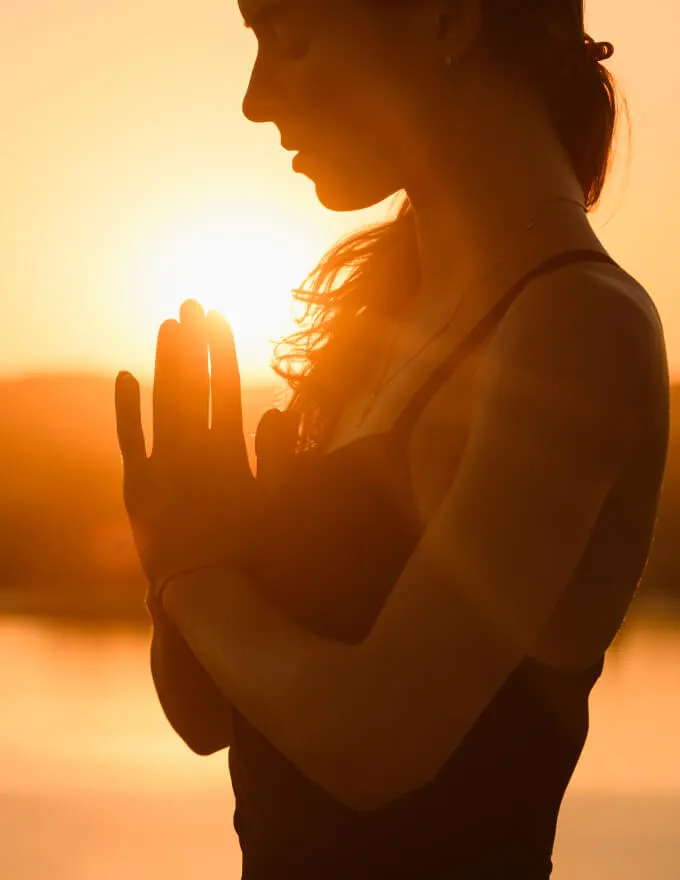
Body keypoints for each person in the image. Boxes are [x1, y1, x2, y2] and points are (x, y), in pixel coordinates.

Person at [114, 1, 670, 877]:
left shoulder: (576, 328)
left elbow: (377, 742)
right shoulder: (379, 322)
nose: (256, 99)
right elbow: (208, 718)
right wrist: (181, 550)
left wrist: (193, 575)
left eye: (290, 38)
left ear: (450, 21)